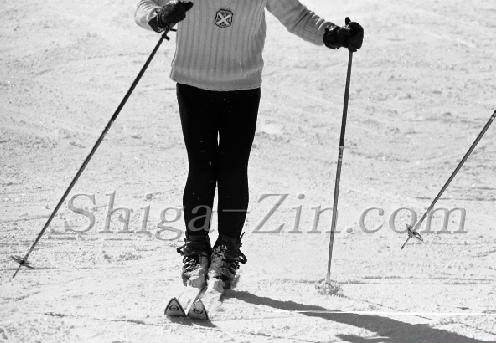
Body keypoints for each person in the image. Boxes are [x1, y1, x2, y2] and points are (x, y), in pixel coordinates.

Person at [135, 0, 364, 293]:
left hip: (242, 88)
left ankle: (227, 248)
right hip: (193, 84)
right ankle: (196, 246)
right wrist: (158, 17)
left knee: (233, 169)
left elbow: (296, 17)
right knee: (202, 168)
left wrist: (332, 34)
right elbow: (145, 6)